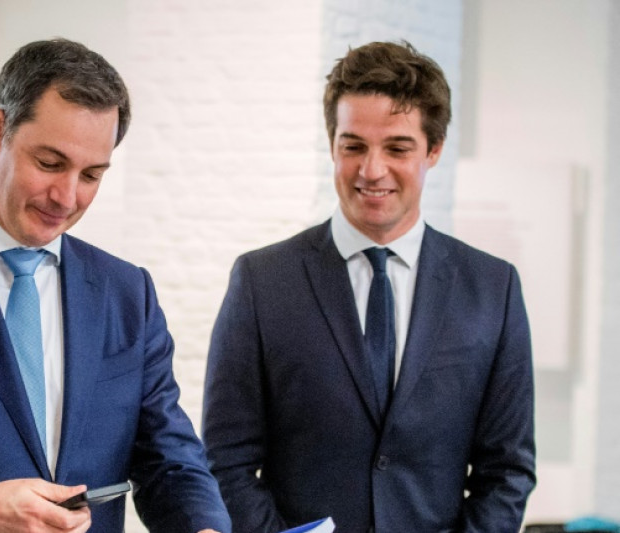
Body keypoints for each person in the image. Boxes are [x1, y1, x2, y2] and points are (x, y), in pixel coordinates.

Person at [0, 38, 230, 533]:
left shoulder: (127, 293)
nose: (67, 197)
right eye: (49, 164)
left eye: (92, 175)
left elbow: (168, 459)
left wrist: (203, 526)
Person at [202, 41, 536, 532]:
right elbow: (224, 460)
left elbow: (507, 471)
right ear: (332, 145)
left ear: (434, 150)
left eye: (397, 148)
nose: (371, 170)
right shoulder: (262, 281)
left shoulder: (492, 288)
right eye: (353, 146)